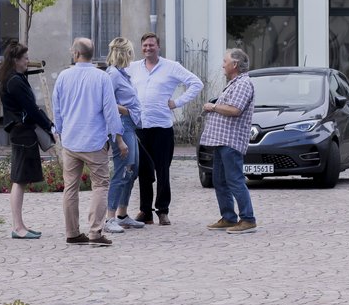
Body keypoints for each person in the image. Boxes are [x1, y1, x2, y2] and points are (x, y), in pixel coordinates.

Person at [51, 37, 128, 246]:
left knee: (70, 187)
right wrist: (118, 139)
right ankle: (95, 231)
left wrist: (59, 130)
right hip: (94, 141)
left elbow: (56, 108)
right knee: (101, 185)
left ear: (76, 54)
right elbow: (111, 112)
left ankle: (72, 232)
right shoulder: (101, 78)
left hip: (71, 141)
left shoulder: (63, 77)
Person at [126, 32, 204, 226]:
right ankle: (145, 211)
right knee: (143, 170)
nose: (148, 48)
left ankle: (162, 210)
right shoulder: (133, 68)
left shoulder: (171, 67)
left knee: (162, 170)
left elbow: (196, 83)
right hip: (140, 126)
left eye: (151, 45)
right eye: (145, 46)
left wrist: (177, 102)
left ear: (158, 47)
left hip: (162, 126)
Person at [0, 42, 52, 240]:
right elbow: (31, 108)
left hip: (21, 132)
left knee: (20, 180)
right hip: (22, 133)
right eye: (26, 58)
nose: (28, 61)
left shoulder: (13, 78)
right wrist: (49, 125)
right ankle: (17, 228)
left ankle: (20, 225)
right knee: (19, 180)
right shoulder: (14, 81)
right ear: (16, 60)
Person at [201, 48, 258, 234]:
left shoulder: (243, 84)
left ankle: (248, 219)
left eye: (225, 61)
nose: (223, 65)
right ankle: (228, 217)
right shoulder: (234, 83)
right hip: (221, 140)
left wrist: (214, 107)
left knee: (234, 180)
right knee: (219, 180)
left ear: (234, 64)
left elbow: (235, 110)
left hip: (231, 141)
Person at [102, 37, 144, 233]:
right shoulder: (112, 75)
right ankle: (110, 218)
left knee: (132, 169)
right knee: (122, 170)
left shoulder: (121, 74)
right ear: (124, 53)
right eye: (130, 52)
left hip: (130, 126)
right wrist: (126, 113)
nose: (132, 56)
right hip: (122, 126)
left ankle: (122, 214)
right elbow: (106, 103)